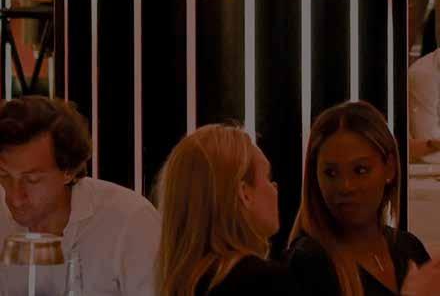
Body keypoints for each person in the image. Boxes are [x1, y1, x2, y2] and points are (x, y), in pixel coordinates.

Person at [0, 96, 160, 295]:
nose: (15, 198)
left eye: (32, 180)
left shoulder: (131, 221)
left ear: (69, 171)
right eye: (4, 175)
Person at [285, 100, 430, 296]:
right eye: (331, 173)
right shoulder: (309, 262)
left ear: (389, 168)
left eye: (360, 170)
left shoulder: (409, 249)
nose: (346, 186)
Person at [155, 123, 294, 296]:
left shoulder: (179, 286)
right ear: (244, 193)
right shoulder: (266, 282)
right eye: (267, 177)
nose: (275, 187)